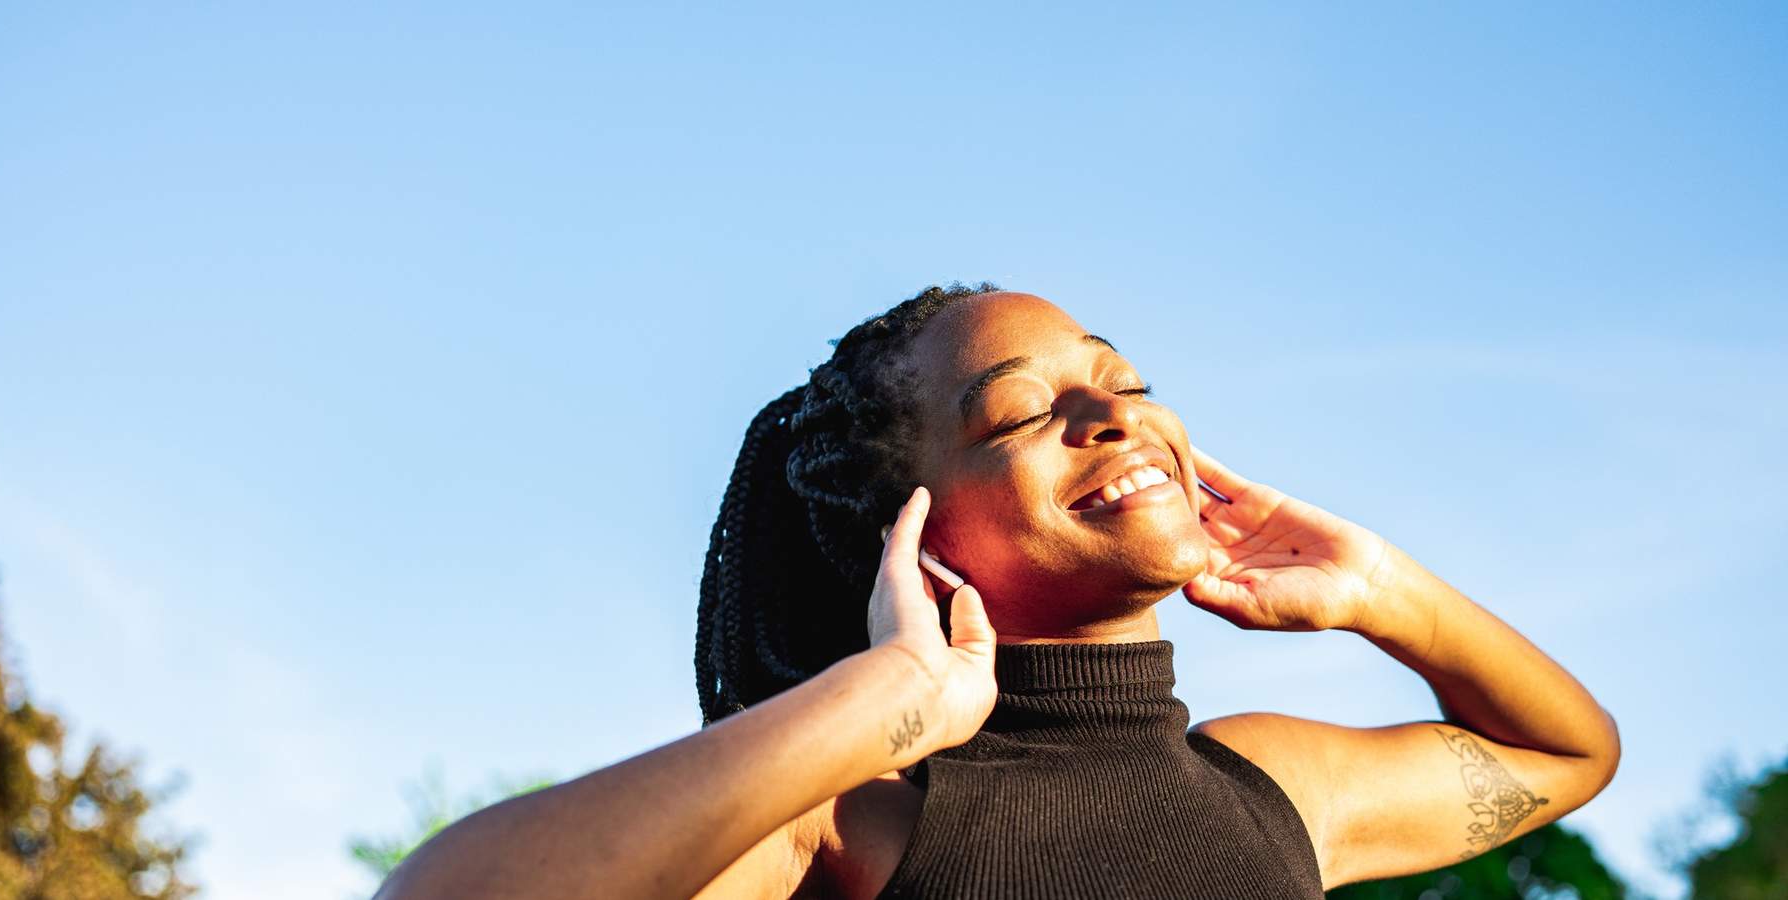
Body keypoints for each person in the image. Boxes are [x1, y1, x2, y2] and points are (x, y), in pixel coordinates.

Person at [377, 283, 1621, 899]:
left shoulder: (1275, 787)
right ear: (915, 537)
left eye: (1124, 381)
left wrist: (1381, 587)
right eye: (1022, 411)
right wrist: (886, 701)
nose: (1111, 415)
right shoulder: (848, 824)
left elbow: (1566, 755)